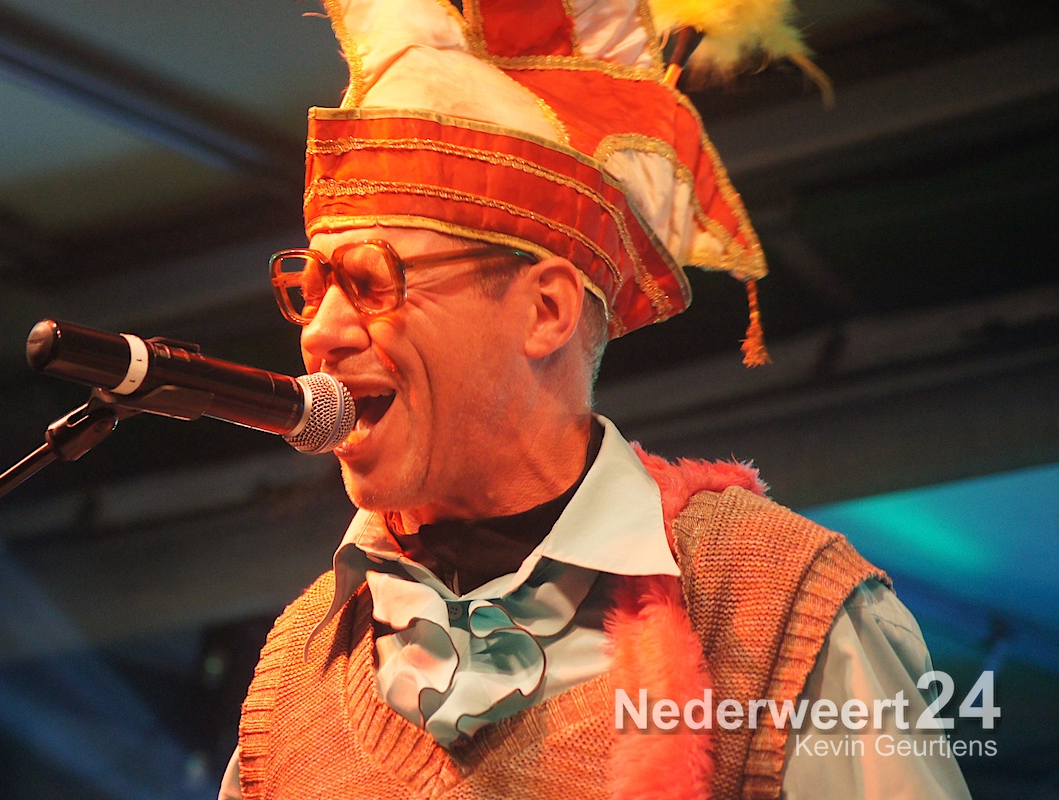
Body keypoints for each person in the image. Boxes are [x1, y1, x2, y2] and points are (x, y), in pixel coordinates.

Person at [219, 1, 973, 797]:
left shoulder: (774, 603)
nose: (321, 332)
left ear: (545, 310)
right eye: (311, 288)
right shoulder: (294, 683)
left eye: (371, 282)